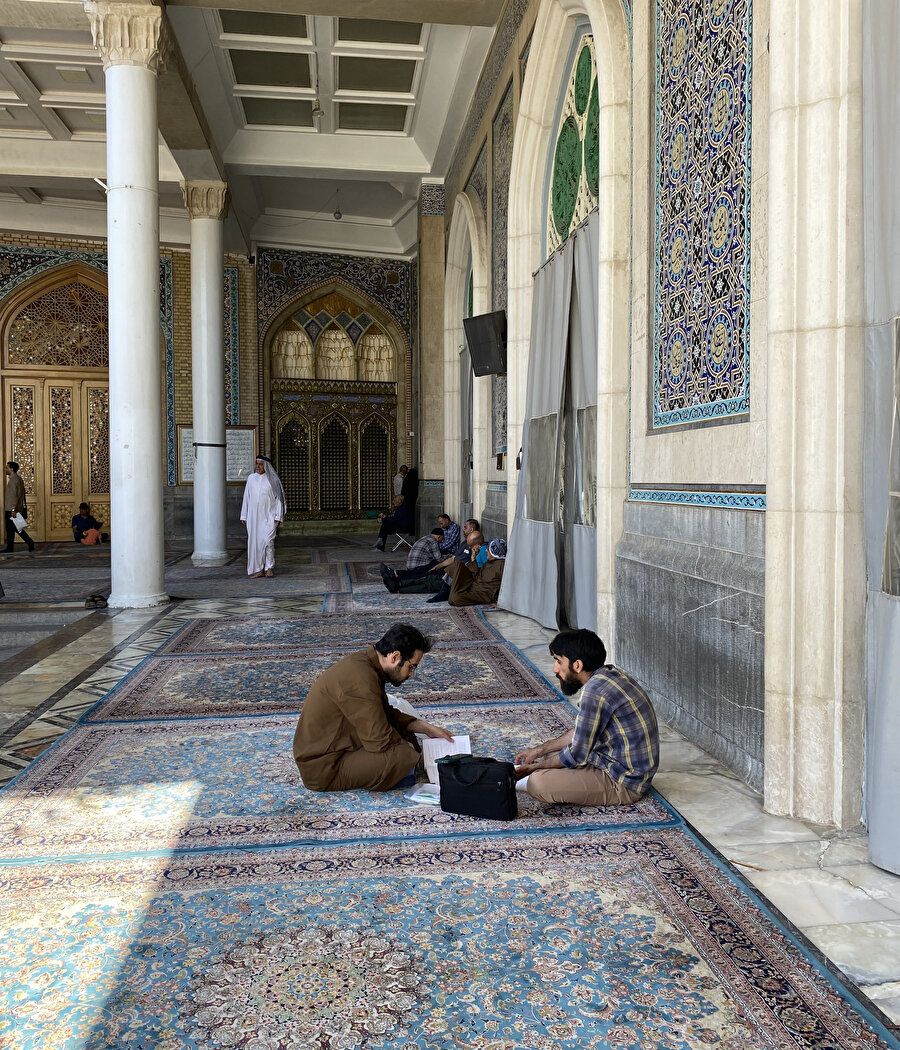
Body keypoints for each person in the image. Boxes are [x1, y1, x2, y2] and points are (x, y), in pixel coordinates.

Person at [292, 622, 453, 791]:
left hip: (333, 750)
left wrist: (423, 727)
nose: (412, 674)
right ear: (395, 657)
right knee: (404, 754)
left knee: (407, 735)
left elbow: (382, 711)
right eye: (411, 667)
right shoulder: (361, 678)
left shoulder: (367, 664)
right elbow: (379, 741)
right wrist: (408, 748)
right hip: (323, 768)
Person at [514, 629, 659, 807]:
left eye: (559, 661)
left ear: (577, 665)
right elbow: (581, 732)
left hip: (624, 782)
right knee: (551, 755)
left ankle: (520, 779)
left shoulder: (594, 691)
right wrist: (539, 750)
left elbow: (576, 753)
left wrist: (534, 768)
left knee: (538, 783)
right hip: (609, 762)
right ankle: (531, 771)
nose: (555, 669)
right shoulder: (608, 676)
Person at [380, 528, 483, 595]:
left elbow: (473, 569)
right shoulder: (465, 543)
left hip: (455, 571)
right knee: (426, 570)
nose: (463, 529)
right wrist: (438, 566)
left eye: (465, 527)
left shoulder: (481, 550)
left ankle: (397, 580)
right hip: (447, 565)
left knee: (426, 575)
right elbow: (452, 558)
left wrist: (474, 556)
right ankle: (395, 576)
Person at [240, 454, 285, 578]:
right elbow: (246, 497)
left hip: (269, 516)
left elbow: (279, 500)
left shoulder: (273, 480)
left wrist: (278, 516)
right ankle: (259, 569)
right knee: (256, 543)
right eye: (256, 464)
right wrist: (244, 515)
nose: (258, 467)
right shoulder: (251, 478)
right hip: (253, 518)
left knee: (268, 540)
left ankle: (269, 567)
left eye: (260, 464)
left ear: (266, 466)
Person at [4, 462, 34, 553]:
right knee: (14, 529)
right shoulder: (18, 479)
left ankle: (29, 542)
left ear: (12, 469)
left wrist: (13, 509)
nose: (5, 469)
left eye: (7, 468)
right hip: (16, 508)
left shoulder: (13, 480)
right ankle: (11, 547)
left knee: (14, 529)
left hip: (11, 509)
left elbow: (14, 496)